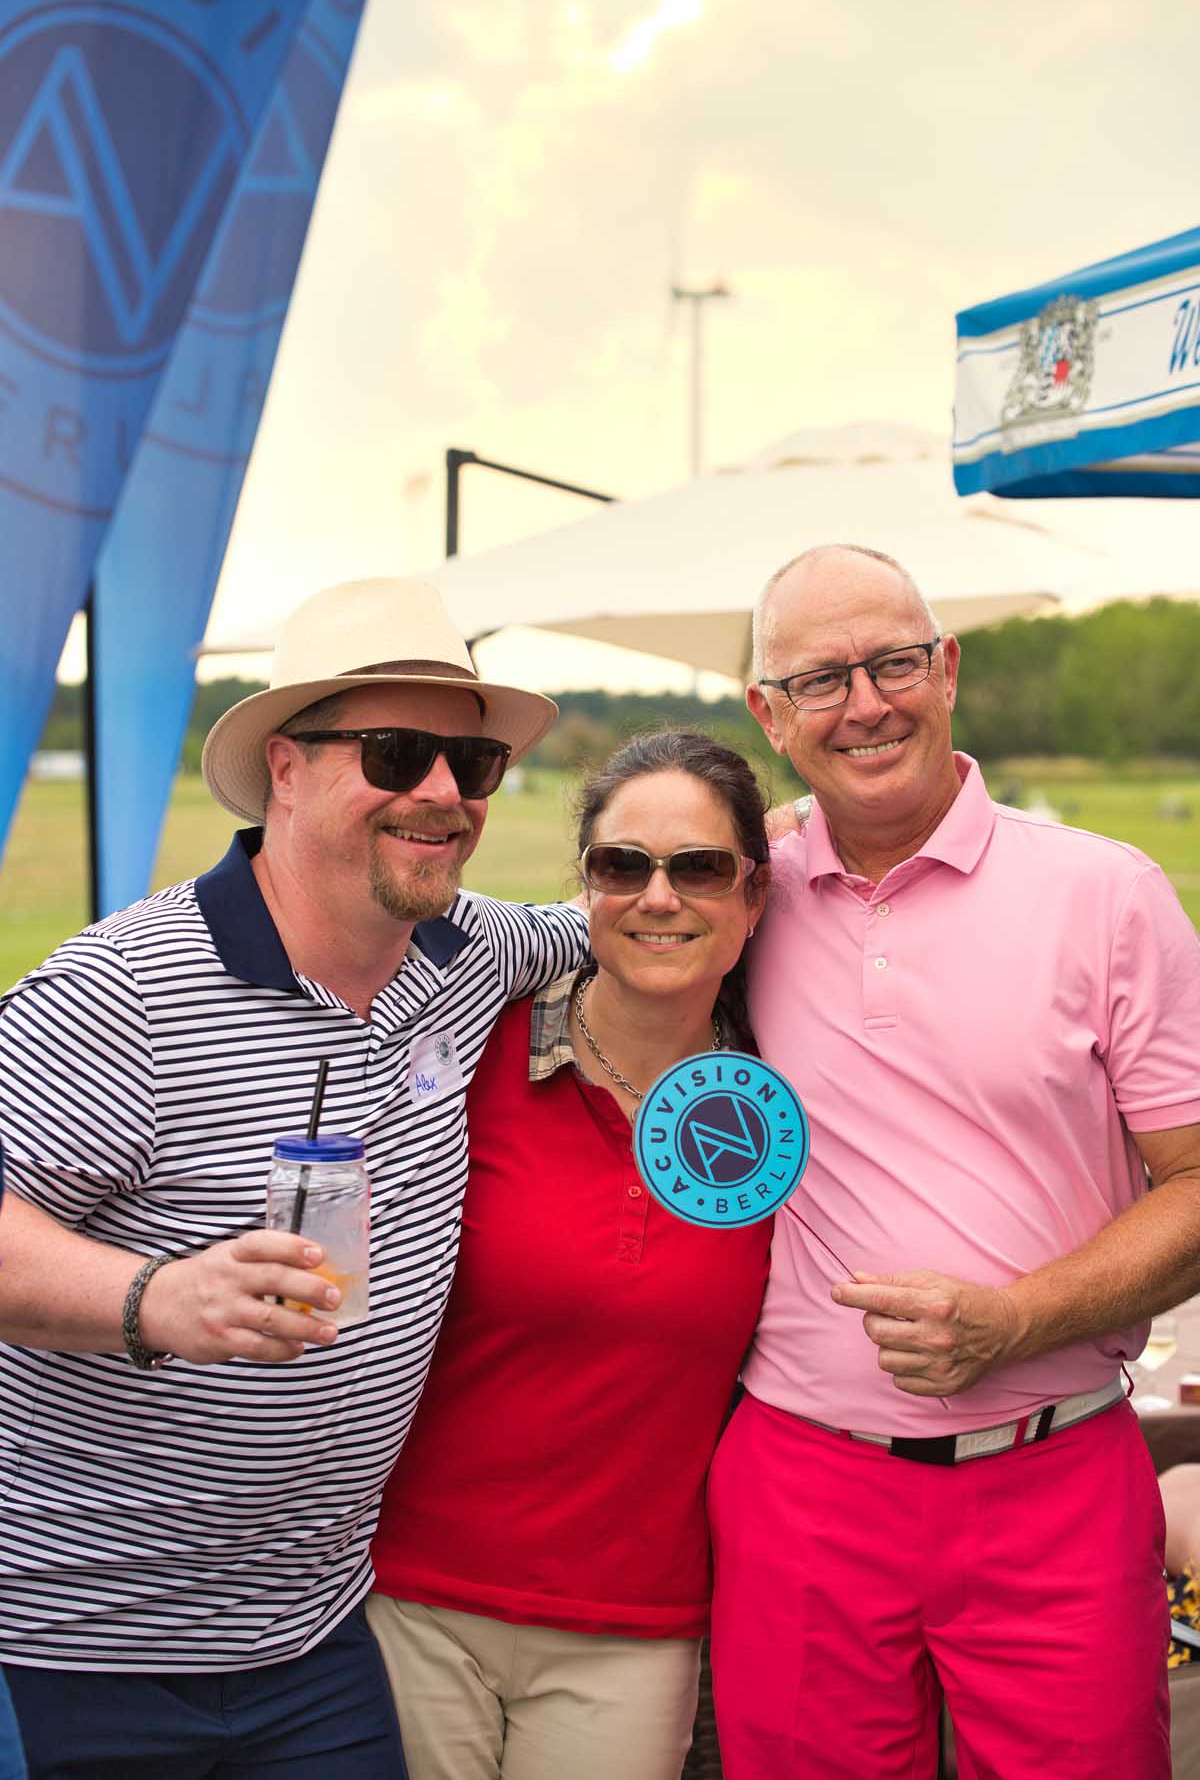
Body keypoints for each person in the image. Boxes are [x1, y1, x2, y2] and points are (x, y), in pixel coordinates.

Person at [0, 576, 589, 1778]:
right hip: (71, 1649)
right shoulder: (126, 993)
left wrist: (795, 836)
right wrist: (155, 1297)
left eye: (472, 763)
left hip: (312, 1640)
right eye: (397, 752)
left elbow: (623, 914)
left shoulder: (469, 949)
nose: (444, 793)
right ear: (286, 768)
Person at [706, 543, 1200, 1780]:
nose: (865, 704)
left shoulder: (1106, 892)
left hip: (1056, 1478)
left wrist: (1018, 1318)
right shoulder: (734, 894)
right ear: (769, 714)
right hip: (801, 1484)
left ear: (949, 671)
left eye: (894, 663)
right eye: (820, 680)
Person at [367, 730, 773, 1780]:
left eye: (700, 867)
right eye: (622, 865)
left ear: (754, 896)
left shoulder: (785, 1110)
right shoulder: (465, 1057)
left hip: (633, 1626)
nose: (658, 897)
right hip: (412, 1599)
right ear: (586, 887)